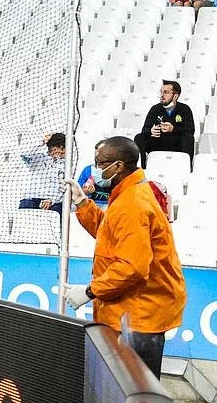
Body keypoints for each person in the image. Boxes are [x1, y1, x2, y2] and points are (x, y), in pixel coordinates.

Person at [64, 136, 187, 379]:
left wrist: (90, 291)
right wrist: (83, 204)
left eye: (100, 164)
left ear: (118, 166)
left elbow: (132, 267)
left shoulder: (133, 203)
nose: (95, 171)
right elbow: (108, 232)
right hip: (133, 312)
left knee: (136, 392)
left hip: (140, 315)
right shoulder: (128, 193)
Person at [134, 80, 195, 167]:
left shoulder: (185, 109)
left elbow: (191, 130)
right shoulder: (155, 109)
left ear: (175, 96)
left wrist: (173, 129)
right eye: (161, 92)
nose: (162, 95)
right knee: (139, 137)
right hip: (158, 142)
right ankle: (141, 168)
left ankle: (186, 168)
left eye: (166, 92)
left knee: (188, 138)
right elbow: (145, 129)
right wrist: (151, 130)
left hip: (176, 144)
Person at [18, 133, 66, 212]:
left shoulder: (67, 165)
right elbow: (24, 154)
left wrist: (53, 200)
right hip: (32, 198)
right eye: (53, 150)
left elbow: (65, 188)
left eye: (61, 151)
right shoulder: (39, 158)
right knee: (25, 207)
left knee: (58, 210)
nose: (56, 154)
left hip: (53, 202)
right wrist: (42, 141)